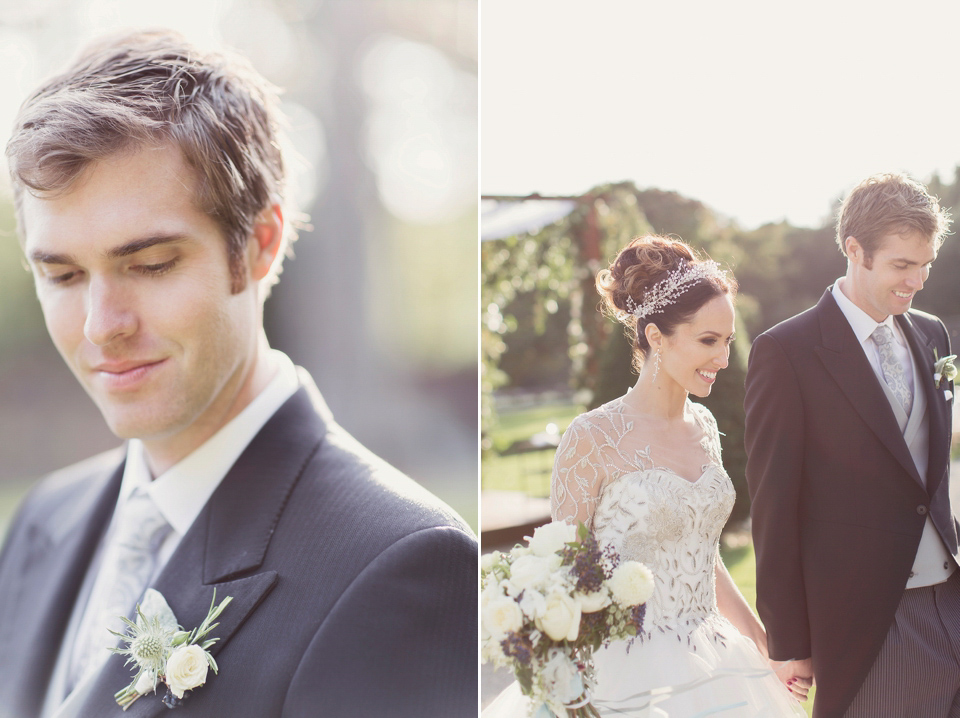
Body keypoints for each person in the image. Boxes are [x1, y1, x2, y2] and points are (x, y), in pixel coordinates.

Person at [0, 30, 477, 718]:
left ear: (260, 243)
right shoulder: (44, 521)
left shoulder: (402, 566)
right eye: (64, 274)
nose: (103, 323)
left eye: (151, 264)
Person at [485, 235, 805, 716]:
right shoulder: (592, 438)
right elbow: (563, 576)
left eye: (728, 342)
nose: (723, 358)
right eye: (708, 341)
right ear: (656, 337)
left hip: (715, 659)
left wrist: (761, 642)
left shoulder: (706, 425)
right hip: (623, 676)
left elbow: (704, 557)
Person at [744, 172, 960, 717]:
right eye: (902, 265)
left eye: (926, 263)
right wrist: (789, 641)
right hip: (871, 620)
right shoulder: (786, 352)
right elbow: (773, 504)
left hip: (952, 597)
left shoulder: (932, 333)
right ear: (854, 250)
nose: (917, 280)